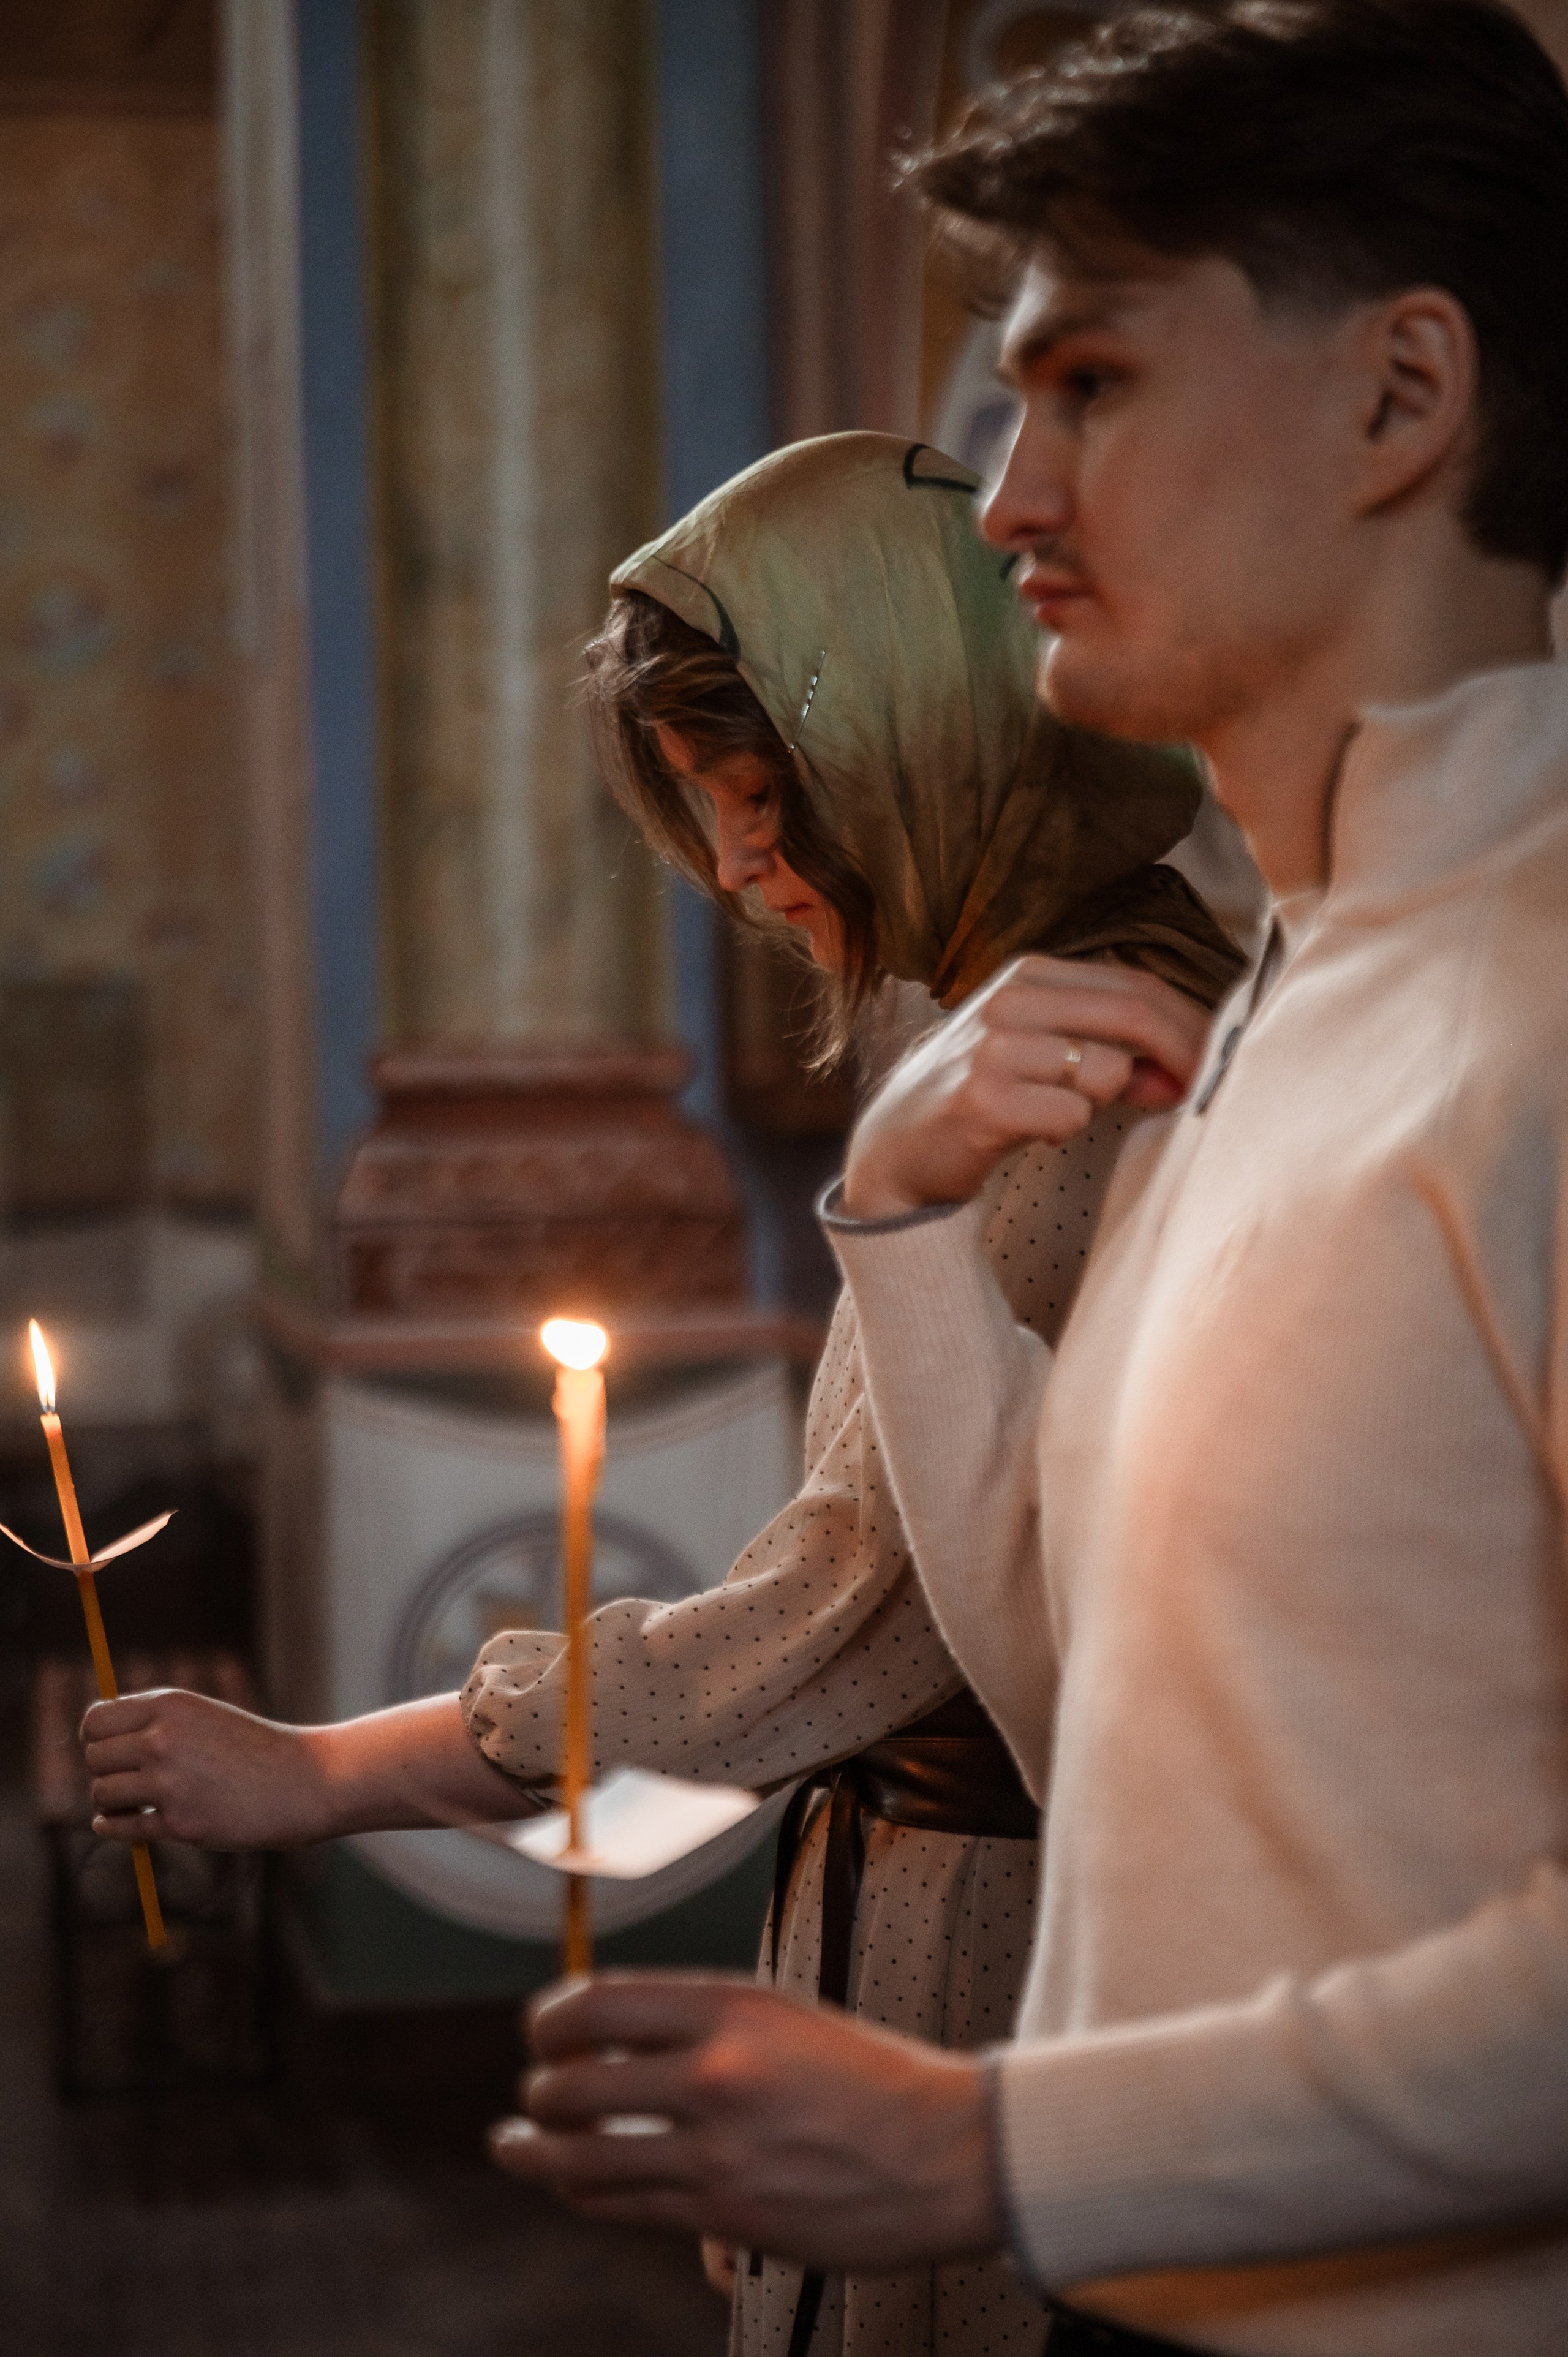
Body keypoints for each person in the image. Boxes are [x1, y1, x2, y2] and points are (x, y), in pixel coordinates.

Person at [492, 6, 1568, 2356]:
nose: (1003, 503)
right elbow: (1086, 1701)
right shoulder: (1277, 986)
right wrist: (894, 1214)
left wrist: (979, 2149)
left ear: (1402, 397)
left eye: (1092, 388)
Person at [80, 433, 1243, 2357]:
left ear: (916, 734)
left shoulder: (1079, 1067)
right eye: (703, 807)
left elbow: (834, 1632)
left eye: (771, 795)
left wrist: (315, 1775)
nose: (734, 866)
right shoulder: (993, 994)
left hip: (1005, 1945)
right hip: (914, 1908)